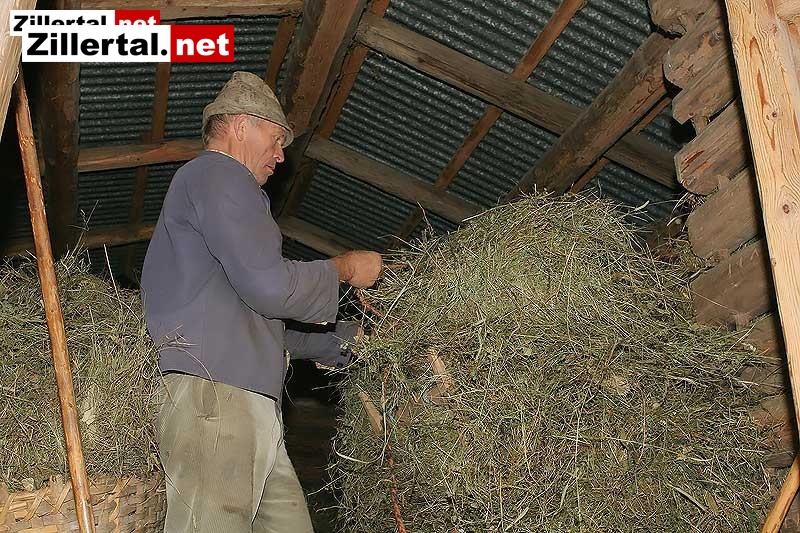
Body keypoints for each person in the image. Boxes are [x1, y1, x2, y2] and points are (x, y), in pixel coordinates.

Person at [140, 70, 383, 533]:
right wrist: (345, 268)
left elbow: (268, 323)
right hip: (217, 397)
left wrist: (357, 341)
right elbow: (271, 286)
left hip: (247, 402)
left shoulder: (220, 199)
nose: (281, 154)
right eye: (275, 139)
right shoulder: (218, 175)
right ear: (240, 126)